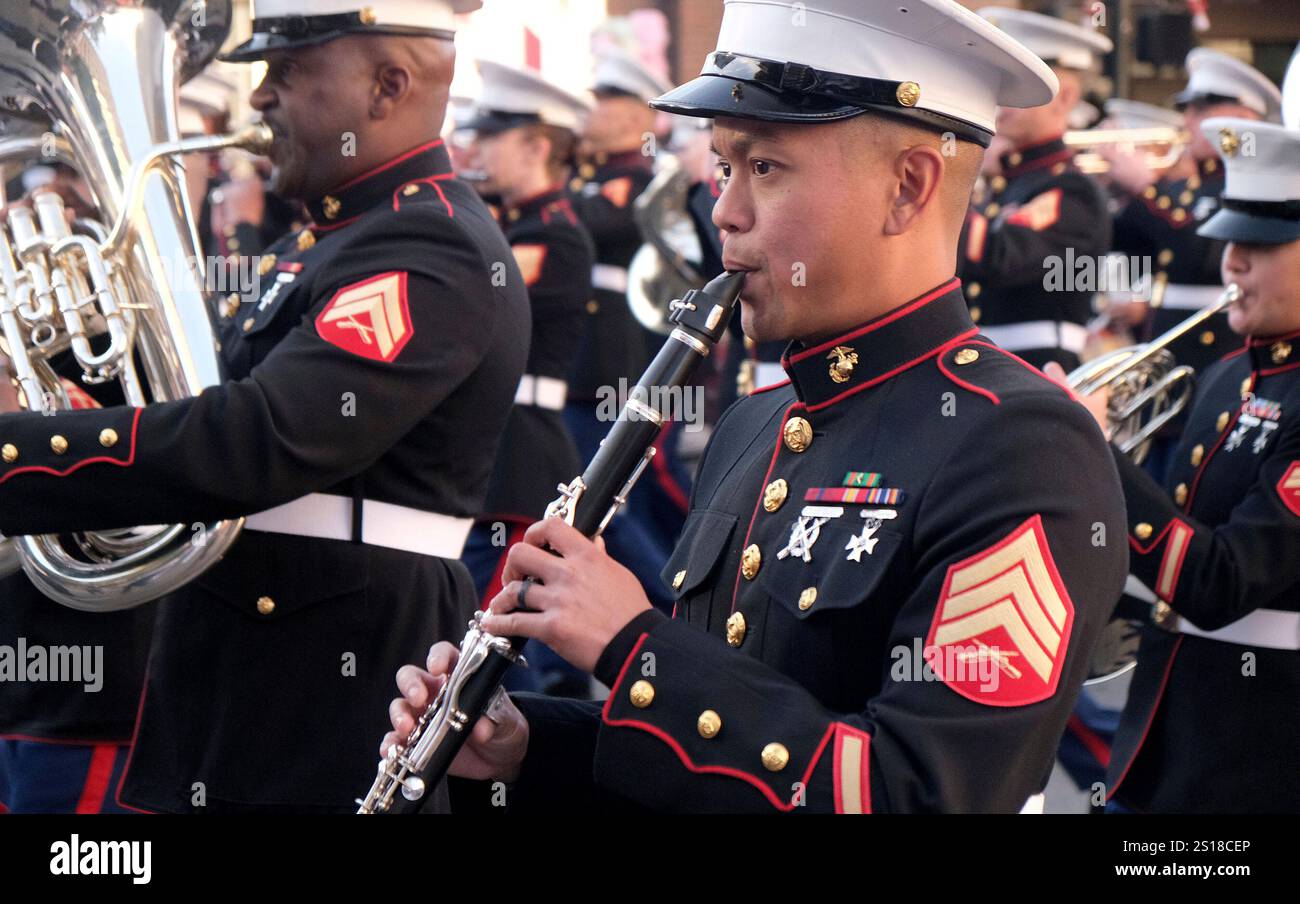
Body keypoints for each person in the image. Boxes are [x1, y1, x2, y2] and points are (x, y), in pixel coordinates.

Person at [386, 0, 1129, 814]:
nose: (726, 213)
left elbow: (921, 792)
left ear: (909, 187)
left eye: (764, 168)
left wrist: (638, 653)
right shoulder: (753, 426)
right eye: (723, 167)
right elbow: (714, 766)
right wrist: (531, 746)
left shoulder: (1020, 444)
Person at [0, 0, 528, 813]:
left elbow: (263, 438)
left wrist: (18, 456)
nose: (256, 97)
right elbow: (196, 407)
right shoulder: (316, 246)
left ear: (387, 86)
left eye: (286, 71)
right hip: (232, 666)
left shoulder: (433, 243)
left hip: (329, 681)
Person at [1066, 117, 1300, 813]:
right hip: (1169, 723)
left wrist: (1094, 453)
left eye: (1258, 244)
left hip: (1260, 745)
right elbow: (1168, 545)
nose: (1230, 261)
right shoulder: (1229, 377)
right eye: (1230, 239)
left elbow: (1221, 580)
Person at [454, 61, 596, 696]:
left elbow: (474, 313)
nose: (473, 149)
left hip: (521, 453)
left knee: (497, 635)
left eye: (492, 137)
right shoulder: (509, 226)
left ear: (538, 146)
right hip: (498, 449)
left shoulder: (553, 233)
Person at [566, 50, 688, 611]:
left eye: (610, 101)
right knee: (609, 502)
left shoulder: (642, 177)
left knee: (632, 497)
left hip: (622, 362)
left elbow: (596, 225)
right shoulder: (589, 175)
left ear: (643, 116)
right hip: (584, 365)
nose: (596, 111)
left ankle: (675, 603)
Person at [1107, 49, 1282, 380]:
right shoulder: (1181, 191)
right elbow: (1124, 246)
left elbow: (1202, 252)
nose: (1188, 120)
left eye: (1202, 109)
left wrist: (1144, 187)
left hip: (1216, 349)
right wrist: (1114, 190)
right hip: (1165, 345)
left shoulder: (1250, 189)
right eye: (1187, 109)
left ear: (1245, 117)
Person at [958, 7, 1114, 370]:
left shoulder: (1071, 189)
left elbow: (997, 257)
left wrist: (959, 173)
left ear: (1065, 97)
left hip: (1038, 368)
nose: (1000, 97)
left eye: (1016, 85)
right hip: (990, 363)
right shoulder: (1010, 181)